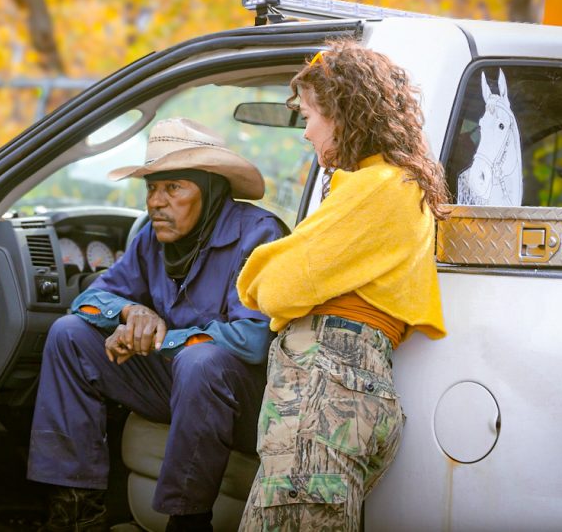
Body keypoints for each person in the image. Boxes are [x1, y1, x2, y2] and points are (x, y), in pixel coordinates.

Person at [27, 118, 287, 532]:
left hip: (244, 398)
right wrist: (132, 315)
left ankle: (187, 520)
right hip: (179, 381)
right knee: (69, 335)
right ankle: (76, 514)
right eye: (151, 188)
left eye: (174, 188)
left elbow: (254, 340)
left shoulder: (258, 234)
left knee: (200, 362)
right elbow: (86, 301)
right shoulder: (153, 236)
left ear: (211, 188)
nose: (155, 202)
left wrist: (163, 338)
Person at [236, 41, 450, 531]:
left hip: (326, 391)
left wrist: (263, 269)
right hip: (345, 388)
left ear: (345, 114)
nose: (306, 130)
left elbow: (274, 288)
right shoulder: (389, 185)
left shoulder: (382, 186)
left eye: (310, 115)